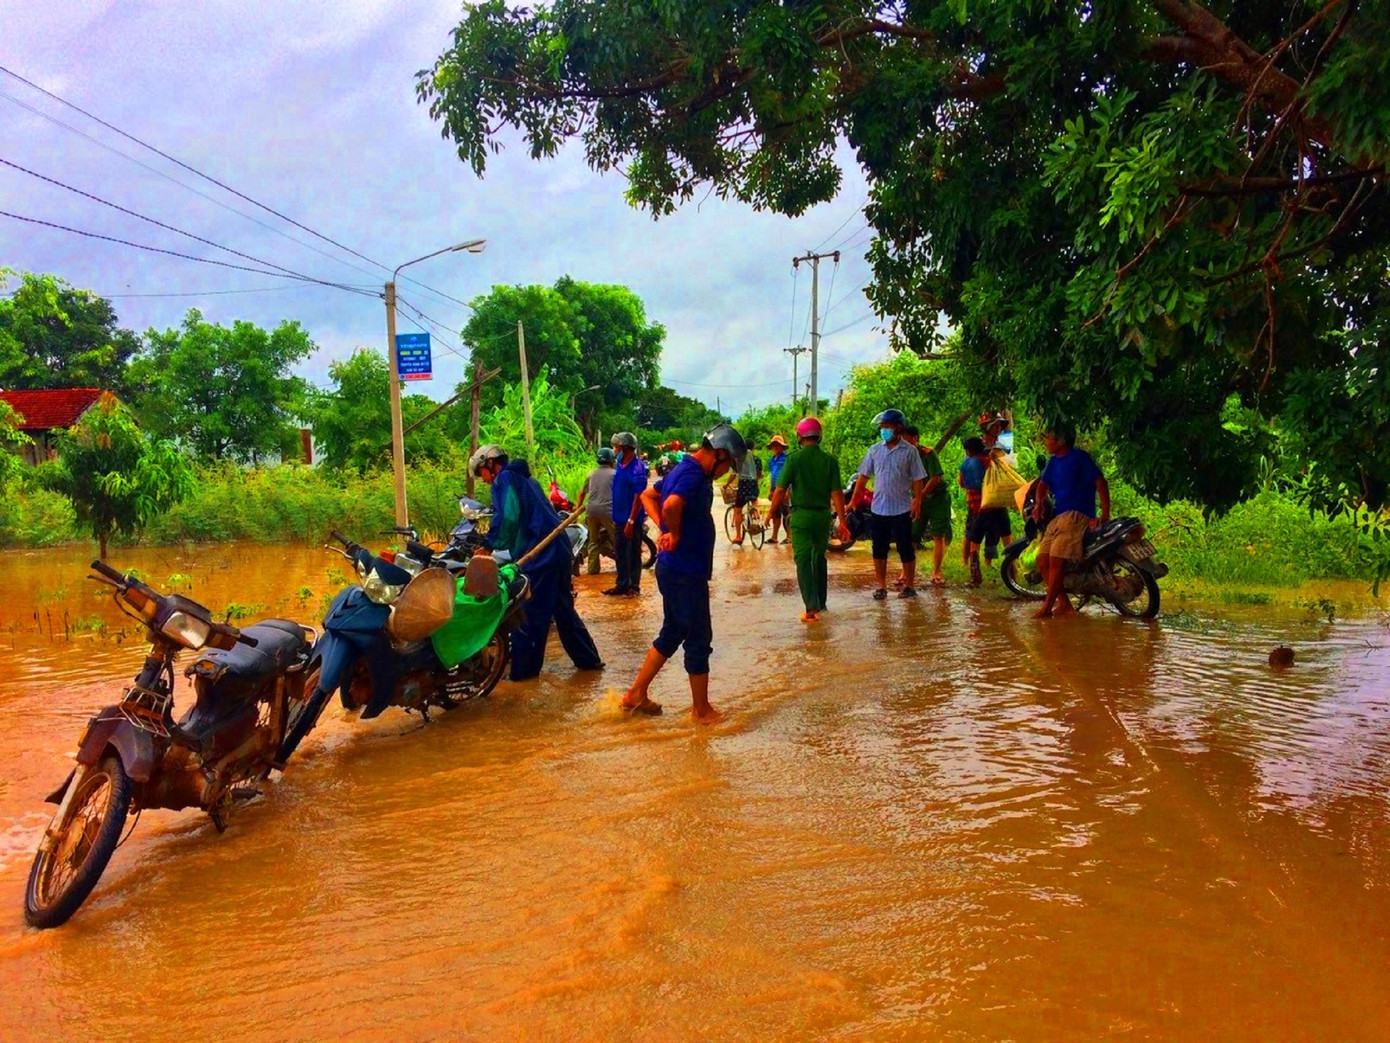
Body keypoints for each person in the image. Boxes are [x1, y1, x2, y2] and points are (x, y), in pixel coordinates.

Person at [620, 423, 748, 722]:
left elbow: (648, 495)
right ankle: (701, 710)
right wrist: (672, 532)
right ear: (718, 454)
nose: (727, 470)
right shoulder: (692, 476)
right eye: (728, 463)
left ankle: (636, 694)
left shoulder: (685, 470)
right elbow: (671, 505)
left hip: (676, 568)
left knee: (674, 630)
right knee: (698, 637)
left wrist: (665, 530)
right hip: (684, 570)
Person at [470, 445, 604, 680]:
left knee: (528, 613)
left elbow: (508, 516)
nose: (483, 480)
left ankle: (523, 675)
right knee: (563, 610)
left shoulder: (505, 478)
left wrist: (488, 545)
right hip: (558, 549)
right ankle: (589, 662)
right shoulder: (525, 478)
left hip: (542, 554)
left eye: (481, 472)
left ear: (490, 464)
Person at [767, 417, 850, 622]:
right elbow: (837, 494)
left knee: (803, 559)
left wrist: (770, 512)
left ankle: (811, 608)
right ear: (819, 436)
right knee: (818, 557)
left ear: (799, 437)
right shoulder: (830, 461)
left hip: (801, 517)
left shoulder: (793, 459)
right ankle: (821, 603)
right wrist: (843, 522)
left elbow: (780, 490)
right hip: (823, 517)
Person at [1032, 424, 1110, 619]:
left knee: (1055, 560)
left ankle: (1046, 609)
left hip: (1077, 515)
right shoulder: (1051, 462)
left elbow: (1100, 482)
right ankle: (1064, 604)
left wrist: (1105, 513)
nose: (1046, 441)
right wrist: (1039, 503)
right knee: (1041, 559)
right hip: (1058, 516)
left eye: (1049, 437)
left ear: (1061, 441)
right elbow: (1042, 485)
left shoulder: (1079, 458)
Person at [851, 408, 926, 600]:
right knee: (879, 547)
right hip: (879, 508)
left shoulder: (910, 451)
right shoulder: (874, 450)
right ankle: (881, 586)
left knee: (905, 547)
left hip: (902, 508)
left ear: (899, 428)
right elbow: (863, 477)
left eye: (887, 426)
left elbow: (918, 478)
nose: (884, 430)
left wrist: (917, 500)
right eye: (882, 426)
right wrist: (853, 501)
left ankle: (909, 585)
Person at [958, 436, 1011, 587]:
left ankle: (975, 578)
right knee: (1007, 538)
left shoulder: (965, 465)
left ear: (968, 451)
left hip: (978, 507)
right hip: (997, 504)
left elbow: (962, 483)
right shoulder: (988, 462)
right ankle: (1013, 572)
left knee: (975, 542)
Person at [902, 425, 951, 587]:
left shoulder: (928, 454)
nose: (904, 441)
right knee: (912, 536)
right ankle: (905, 573)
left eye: (907, 438)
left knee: (938, 535)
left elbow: (935, 478)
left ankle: (936, 572)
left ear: (915, 438)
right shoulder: (903, 456)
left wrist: (919, 497)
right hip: (918, 500)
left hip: (937, 499)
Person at [608, 431, 648, 597]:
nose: (614, 449)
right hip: (618, 517)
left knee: (632, 553)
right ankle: (622, 584)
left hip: (632, 518)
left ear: (625, 448)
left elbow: (638, 496)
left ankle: (634, 586)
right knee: (620, 552)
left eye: (617, 446)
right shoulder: (620, 464)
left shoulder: (638, 468)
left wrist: (631, 520)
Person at [574, 447, 616, 576]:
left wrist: (576, 511)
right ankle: (623, 569)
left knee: (593, 541)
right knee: (617, 540)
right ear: (611, 460)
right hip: (608, 511)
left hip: (591, 511)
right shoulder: (615, 474)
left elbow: (582, 494)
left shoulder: (591, 474)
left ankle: (592, 571)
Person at [724, 444, 763, 545]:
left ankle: (738, 536)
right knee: (755, 502)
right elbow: (759, 475)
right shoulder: (757, 460)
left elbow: (733, 474)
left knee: (737, 510)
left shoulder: (739, 460)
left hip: (743, 487)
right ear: (753, 448)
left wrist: (727, 484)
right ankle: (757, 519)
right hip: (754, 485)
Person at [765, 434, 790, 544]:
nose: (775, 447)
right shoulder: (772, 460)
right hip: (775, 488)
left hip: (784, 488)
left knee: (786, 513)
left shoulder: (786, 459)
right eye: (774, 445)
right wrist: (770, 489)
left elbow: (789, 475)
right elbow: (772, 474)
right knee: (775, 512)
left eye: (778, 445)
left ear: (782, 447)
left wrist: (788, 490)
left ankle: (789, 536)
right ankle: (774, 536)